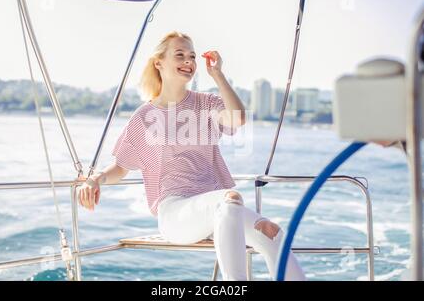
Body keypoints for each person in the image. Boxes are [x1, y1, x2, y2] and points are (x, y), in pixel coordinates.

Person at [77, 31, 305, 281]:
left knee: (273, 234)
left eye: (192, 56)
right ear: (158, 62)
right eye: (180, 54)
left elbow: (237, 118)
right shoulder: (143, 117)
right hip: (175, 212)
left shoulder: (205, 103)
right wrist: (94, 179)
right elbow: (121, 167)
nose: (188, 60)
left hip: (217, 208)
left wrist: (218, 75)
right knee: (229, 200)